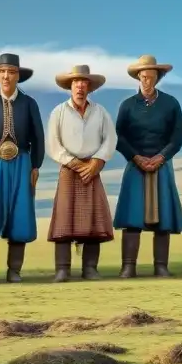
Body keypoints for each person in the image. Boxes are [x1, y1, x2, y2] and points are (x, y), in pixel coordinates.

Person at [0, 53, 45, 284]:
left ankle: (14, 271)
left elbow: (38, 137)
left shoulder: (29, 103)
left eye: (11, 72)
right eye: (2, 72)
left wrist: (36, 165)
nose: (6, 76)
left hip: (22, 162)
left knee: (20, 214)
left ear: (18, 76)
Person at [113, 55, 182, 278]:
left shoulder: (171, 103)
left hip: (162, 164)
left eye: (152, 76)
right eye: (144, 76)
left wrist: (162, 157)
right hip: (134, 164)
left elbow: (177, 135)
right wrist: (135, 157)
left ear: (158, 77)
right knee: (132, 216)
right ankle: (128, 266)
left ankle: (161, 266)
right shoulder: (127, 105)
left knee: (163, 217)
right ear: (138, 77)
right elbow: (119, 135)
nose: (147, 80)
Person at [46, 64, 117, 282]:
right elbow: (53, 144)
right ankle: (62, 270)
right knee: (64, 220)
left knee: (94, 221)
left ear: (90, 87)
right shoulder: (58, 111)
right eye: (76, 82)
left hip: (93, 170)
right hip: (69, 169)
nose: (80, 87)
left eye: (84, 83)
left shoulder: (100, 112)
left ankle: (90, 269)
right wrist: (75, 163)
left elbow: (110, 139)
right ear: (70, 85)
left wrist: (96, 162)